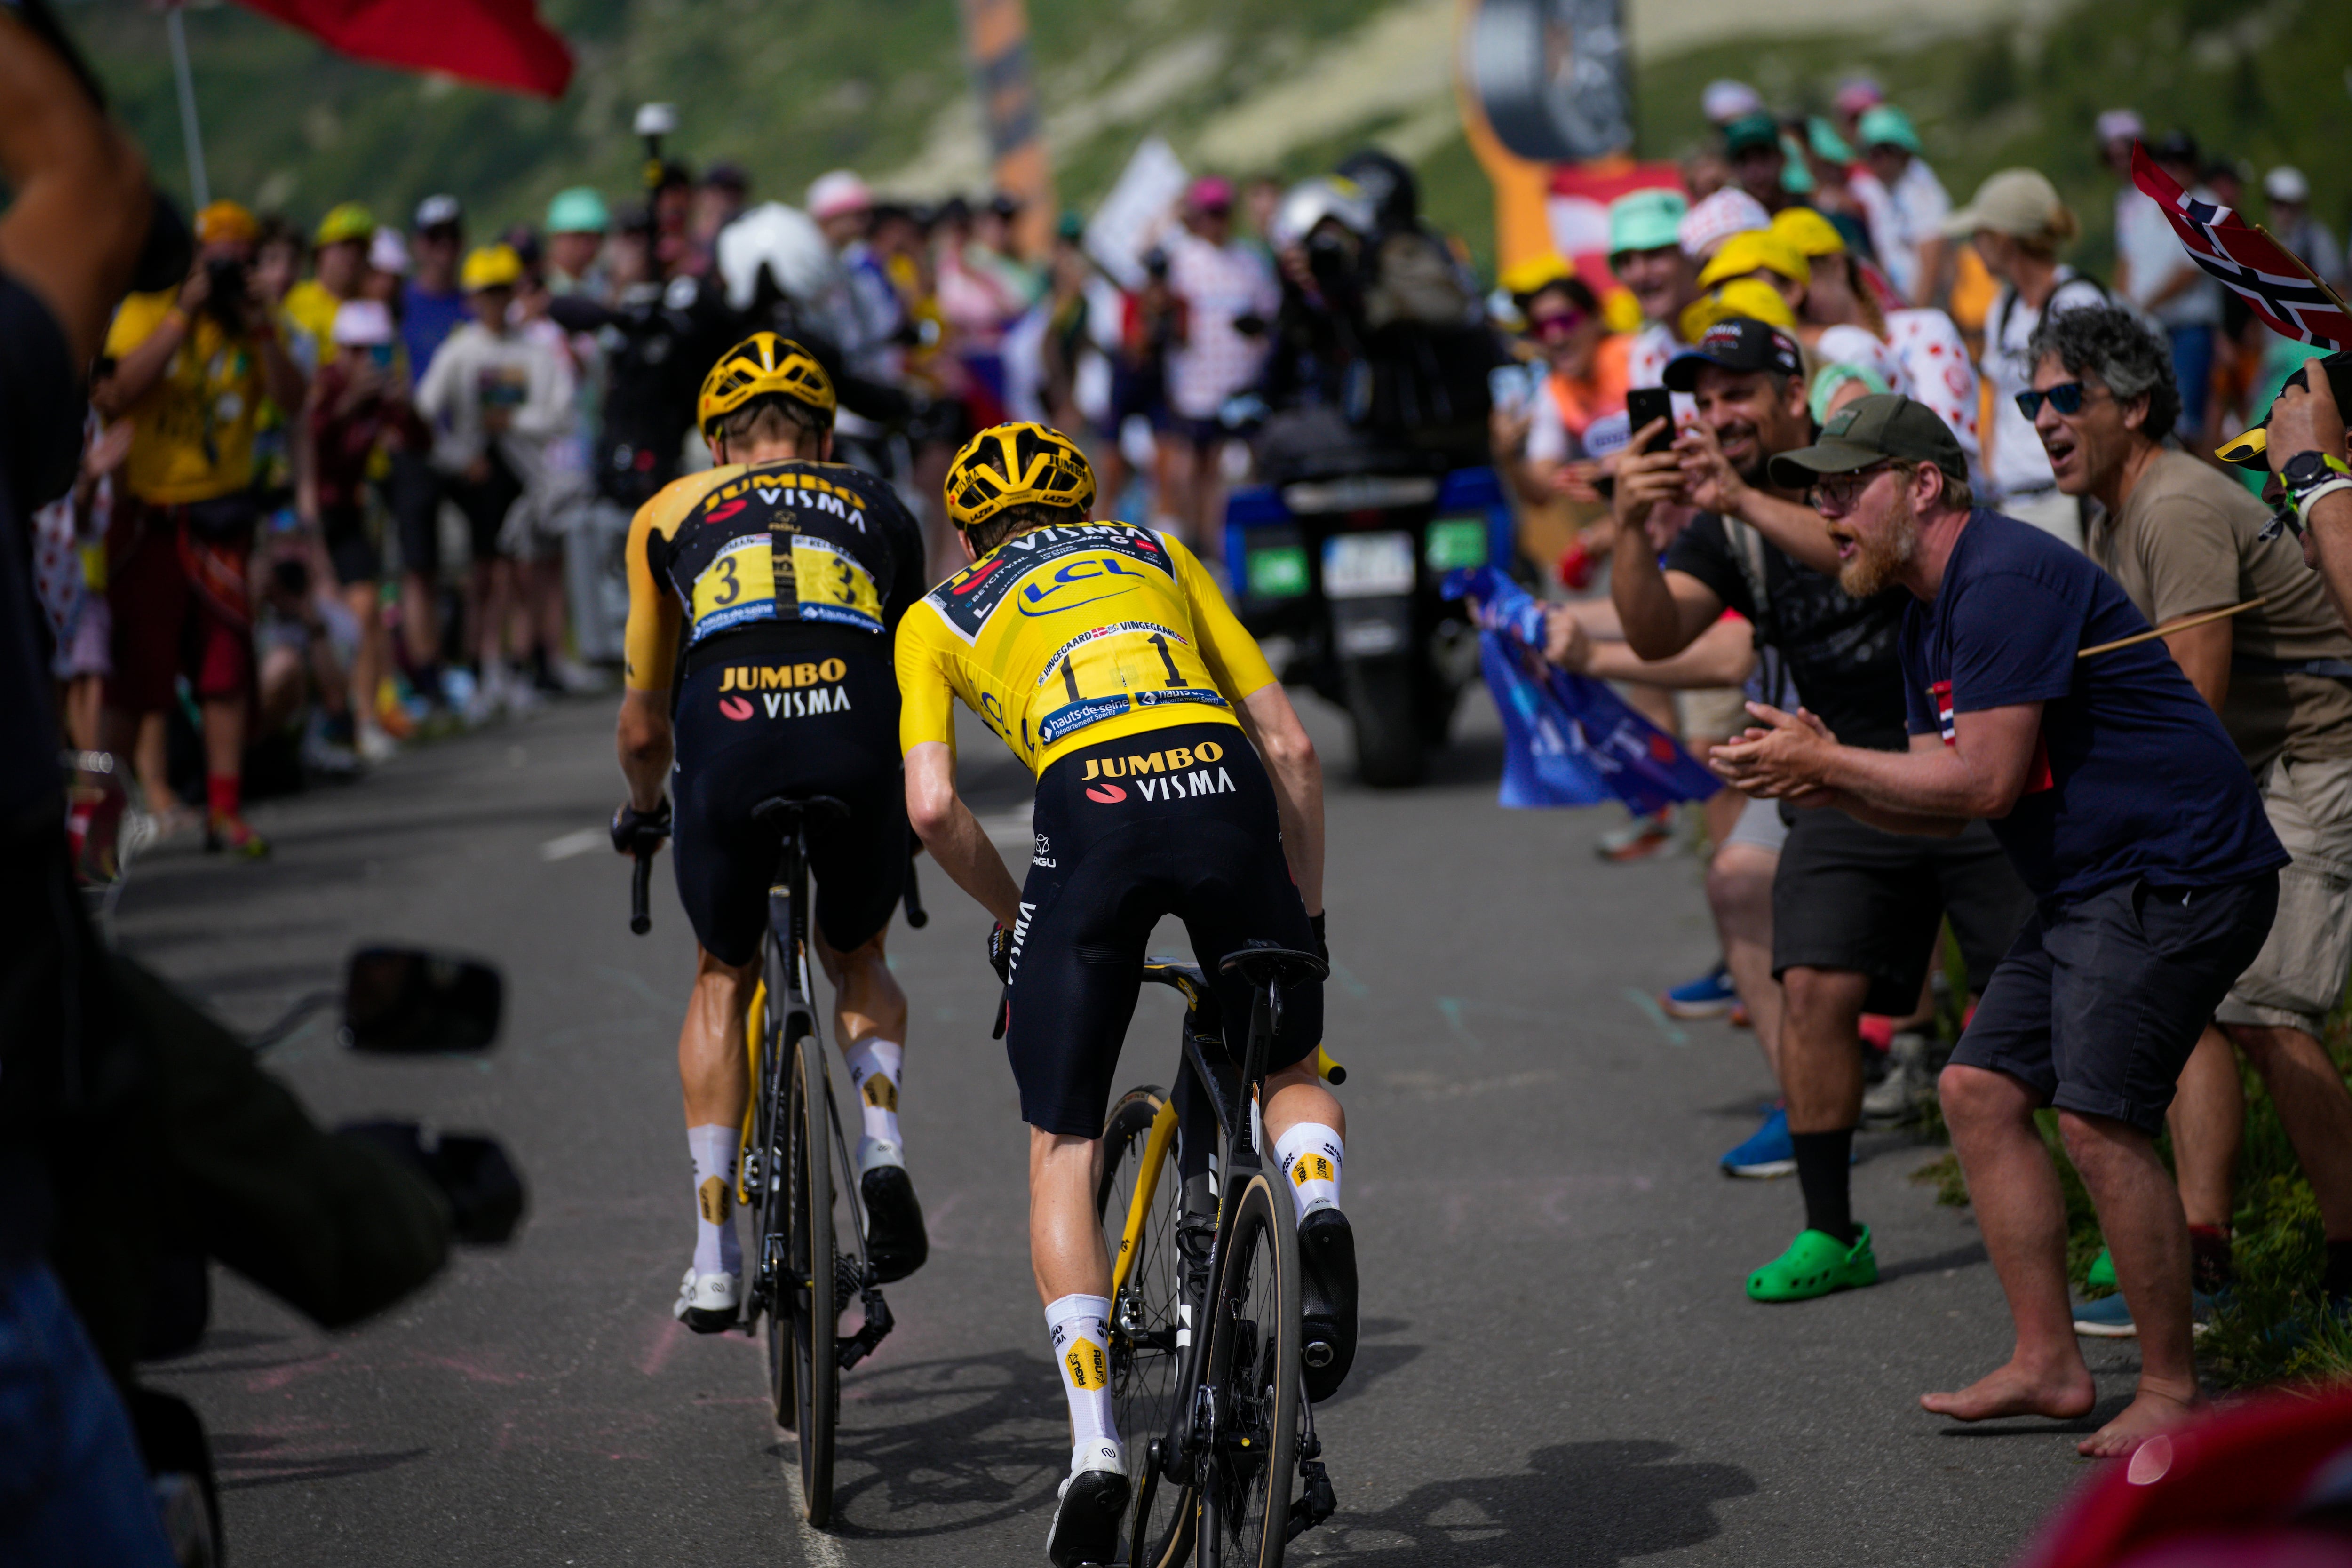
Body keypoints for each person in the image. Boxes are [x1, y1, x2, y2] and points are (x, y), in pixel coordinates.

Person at [1722, 392, 2284, 1458]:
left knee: (2096, 1115)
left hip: (2177, 873)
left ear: (1923, 484)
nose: (1828, 508)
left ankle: (2171, 1387)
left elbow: (1980, 784)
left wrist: (1828, 761)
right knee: (1977, 1090)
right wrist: (1828, 781)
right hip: (2093, 883)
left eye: (1848, 485)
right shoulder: (1928, 606)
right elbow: (1941, 782)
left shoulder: (2003, 577)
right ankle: (2050, 1362)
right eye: (1820, 489)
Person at [894, 422, 1349, 1566]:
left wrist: (1014, 917)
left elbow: (935, 809)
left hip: (1087, 816)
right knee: (1287, 1066)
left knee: (1063, 1143)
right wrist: (1310, 910)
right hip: (1216, 779)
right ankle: (1316, 1205)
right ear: (1086, 500)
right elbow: (1289, 744)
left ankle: (1095, 1445)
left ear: (966, 530)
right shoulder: (1149, 545)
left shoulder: (939, 610)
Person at [1610, 321, 2032, 1273]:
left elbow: (1859, 553)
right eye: (1705, 401)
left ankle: (2097, 1214)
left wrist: (1742, 504)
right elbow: (1652, 634)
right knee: (1812, 989)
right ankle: (1831, 1226)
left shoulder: (1856, 468)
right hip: (1839, 775)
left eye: (1739, 393)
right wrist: (1633, 527)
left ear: (1792, 394)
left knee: (2036, 990)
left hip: (1970, 761)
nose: (1720, 416)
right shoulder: (1726, 521)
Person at [2021, 308, 2352, 1332]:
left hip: (2313, 758)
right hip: (2249, 765)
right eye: (2032, 400)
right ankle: (2201, 1250)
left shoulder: (2168, 504)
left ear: (2133, 405)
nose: (2041, 418)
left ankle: (2346, 1261)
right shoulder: (2112, 508)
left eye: (2063, 397)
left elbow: (2192, 700)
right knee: (2197, 997)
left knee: (2265, 1008)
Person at [611, 333, 930, 1334]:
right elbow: (916, 673)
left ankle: (712, 1254)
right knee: (857, 953)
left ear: (717, 447)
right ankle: (881, 1148)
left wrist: (645, 806)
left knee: (723, 972)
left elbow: (642, 722)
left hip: (733, 744)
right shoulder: (880, 503)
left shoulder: (667, 512)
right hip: (852, 738)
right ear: (826, 439)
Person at [98, 198, 307, 857]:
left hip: (224, 520)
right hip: (151, 521)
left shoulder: (254, 325)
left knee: (225, 675)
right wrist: (183, 313)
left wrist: (262, 323)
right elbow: (115, 392)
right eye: (213, 259)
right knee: (134, 683)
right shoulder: (144, 311)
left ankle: (224, 810)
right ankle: (94, 832)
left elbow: (294, 401)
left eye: (238, 261)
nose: (225, 272)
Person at [415, 243, 579, 721]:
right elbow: (426, 414)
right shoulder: (460, 351)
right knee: (487, 576)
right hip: (479, 478)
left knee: (525, 571)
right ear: (472, 298)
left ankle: (521, 666)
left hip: (525, 475)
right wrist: (454, 458)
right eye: (484, 293)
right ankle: (486, 669)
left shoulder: (533, 349)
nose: (492, 302)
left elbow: (559, 413)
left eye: (500, 292)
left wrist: (513, 422)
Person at [1944, 168, 2107, 548]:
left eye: (1978, 236)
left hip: (2064, 502)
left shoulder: (2076, 301)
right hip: (2011, 502)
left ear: (2003, 241)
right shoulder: (2002, 306)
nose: (1972, 247)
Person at [301, 298, 427, 761]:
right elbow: (311, 441)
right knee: (324, 617)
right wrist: (348, 404)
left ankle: (365, 719)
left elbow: (420, 442)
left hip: (350, 511)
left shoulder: (382, 392)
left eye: (373, 350)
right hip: (311, 515)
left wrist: (406, 407)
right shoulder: (324, 385)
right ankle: (325, 723)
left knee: (369, 609)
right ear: (339, 351)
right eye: (355, 350)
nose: (364, 360)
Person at [1160, 175, 1278, 560]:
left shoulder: (1250, 259)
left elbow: (1269, 313)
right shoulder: (1181, 258)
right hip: (1197, 385)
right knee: (1201, 468)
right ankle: (1201, 547)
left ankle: (1239, 546)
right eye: (1210, 212)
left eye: (1222, 212)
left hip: (1244, 382)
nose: (1217, 221)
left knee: (1248, 469)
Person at [388, 193, 471, 706]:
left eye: (451, 236)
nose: (443, 247)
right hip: (414, 446)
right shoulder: (400, 305)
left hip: (462, 444)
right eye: (433, 237)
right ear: (420, 245)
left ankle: (460, 664)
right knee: (418, 565)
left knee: (463, 563)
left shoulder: (469, 303)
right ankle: (426, 671)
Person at [2116, 132, 2224, 440]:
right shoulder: (2145, 207)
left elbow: (2189, 271)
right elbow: (2127, 259)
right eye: (2169, 163)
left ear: (2195, 167)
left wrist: (2143, 304)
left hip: (2190, 327)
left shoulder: (2207, 205)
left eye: (2183, 163)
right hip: (2149, 328)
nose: (2176, 170)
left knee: (2188, 419)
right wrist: (2124, 306)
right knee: (2152, 413)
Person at [1851, 105, 1949, 308]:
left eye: (1881, 153)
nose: (1875, 162)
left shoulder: (1923, 192)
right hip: (1901, 304)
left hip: (1924, 307)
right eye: (1870, 153)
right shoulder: (1887, 189)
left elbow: (1932, 264)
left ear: (1901, 152)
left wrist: (1917, 313)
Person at [281, 201, 372, 364]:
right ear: (320, 252)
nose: (353, 255)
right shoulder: (291, 300)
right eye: (345, 244)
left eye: (361, 248)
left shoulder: (374, 313)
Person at [2264, 167, 2344, 295]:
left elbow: (2339, 289)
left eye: (2291, 206)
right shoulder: (2271, 239)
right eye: (2278, 204)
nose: (2285, 213)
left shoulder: (2318, 240)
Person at [544, 186, 610, 298]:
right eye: (580, 236)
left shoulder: (603, 281)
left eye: (598, 237)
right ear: (558, 237)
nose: (590, 245)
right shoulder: (538, 288)